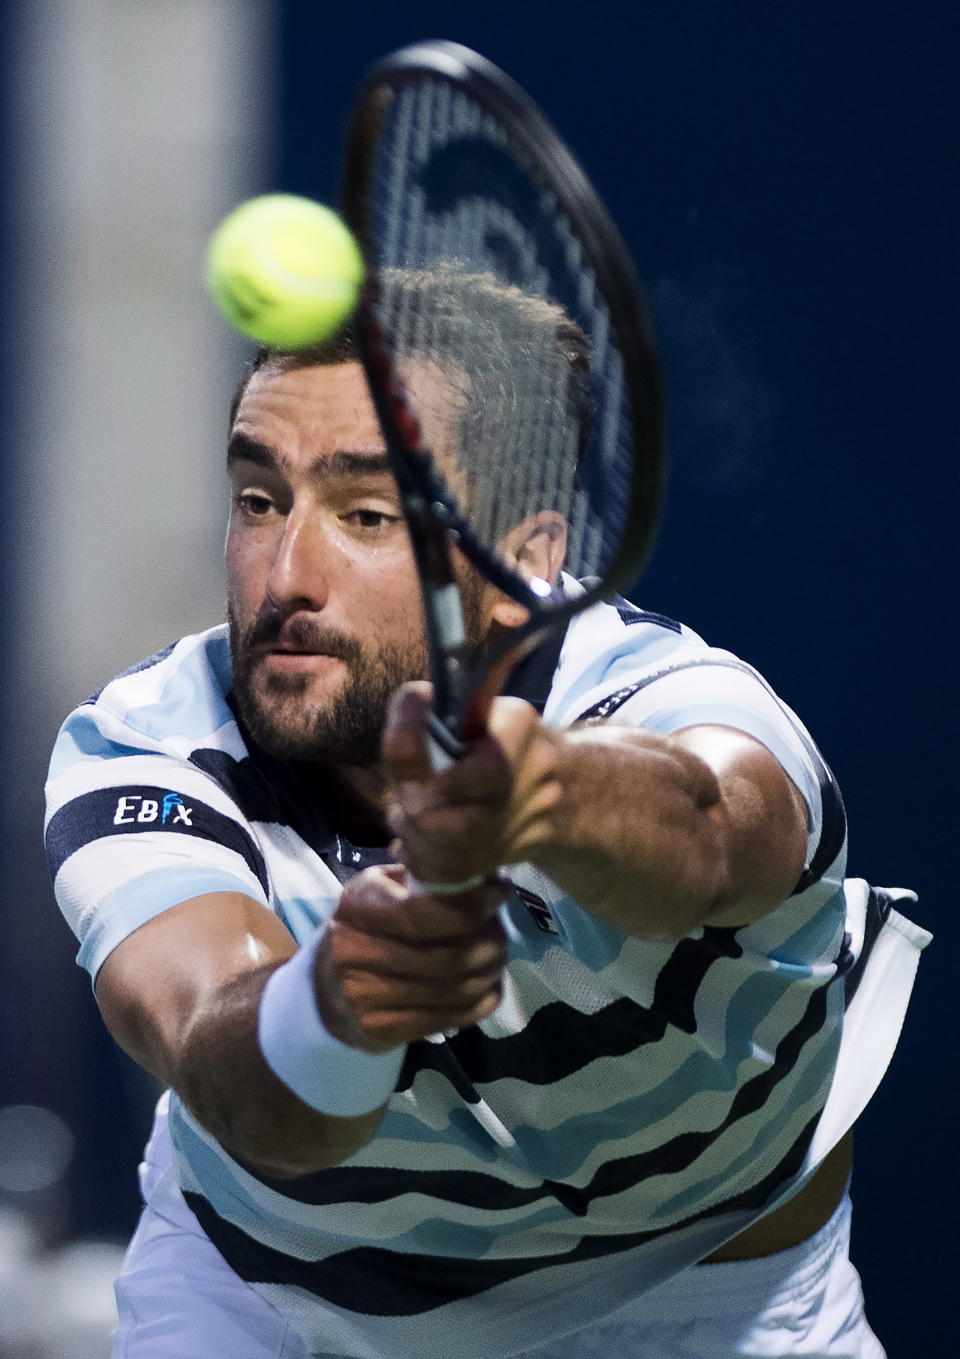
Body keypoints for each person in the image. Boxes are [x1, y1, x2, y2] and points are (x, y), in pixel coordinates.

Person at [45, 276, 930, 1359]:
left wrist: (536, 795)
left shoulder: (670, 693)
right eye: (259, 500)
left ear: (526, 563)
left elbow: (709, 834)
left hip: (716, 1293)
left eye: (367, 514)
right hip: (284, 1297)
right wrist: (335, 1007)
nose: (286, 578)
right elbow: (238, 1078)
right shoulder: (143, 742)